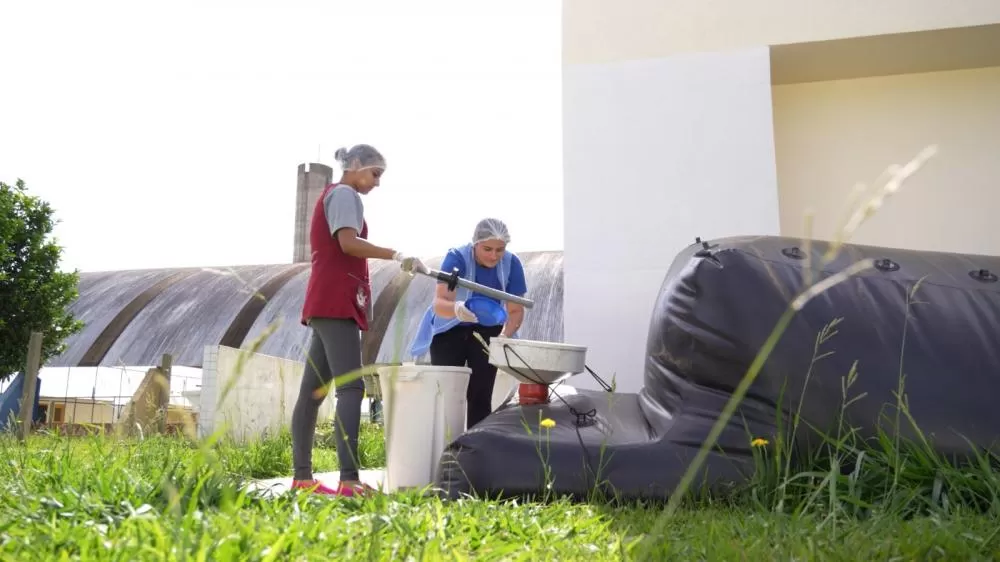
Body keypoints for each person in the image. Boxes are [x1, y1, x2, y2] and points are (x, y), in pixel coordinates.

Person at [292, 144, 427, 497]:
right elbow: (348, 244)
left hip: (327, 301)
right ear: (355, 166)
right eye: (375, 174)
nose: (376, 183)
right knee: (350, 388)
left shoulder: (334, 195)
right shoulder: (344, 195)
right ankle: (349, 481)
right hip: (335, 301)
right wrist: (395, 254)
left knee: (312, 394)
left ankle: (302, 479)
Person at [409, 218, 528, 429]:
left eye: (500, 250)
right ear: (475, 244)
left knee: (481, 394)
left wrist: (504, 336)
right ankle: (445, 446)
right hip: (449, 327)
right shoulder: (457, 257)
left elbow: (516, 310)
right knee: (447, 391)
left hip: (488, 328)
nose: (494, 256)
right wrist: (457, 308)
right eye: (487, 249)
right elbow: (440, 303)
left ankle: (474, 451)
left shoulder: (512, 264)